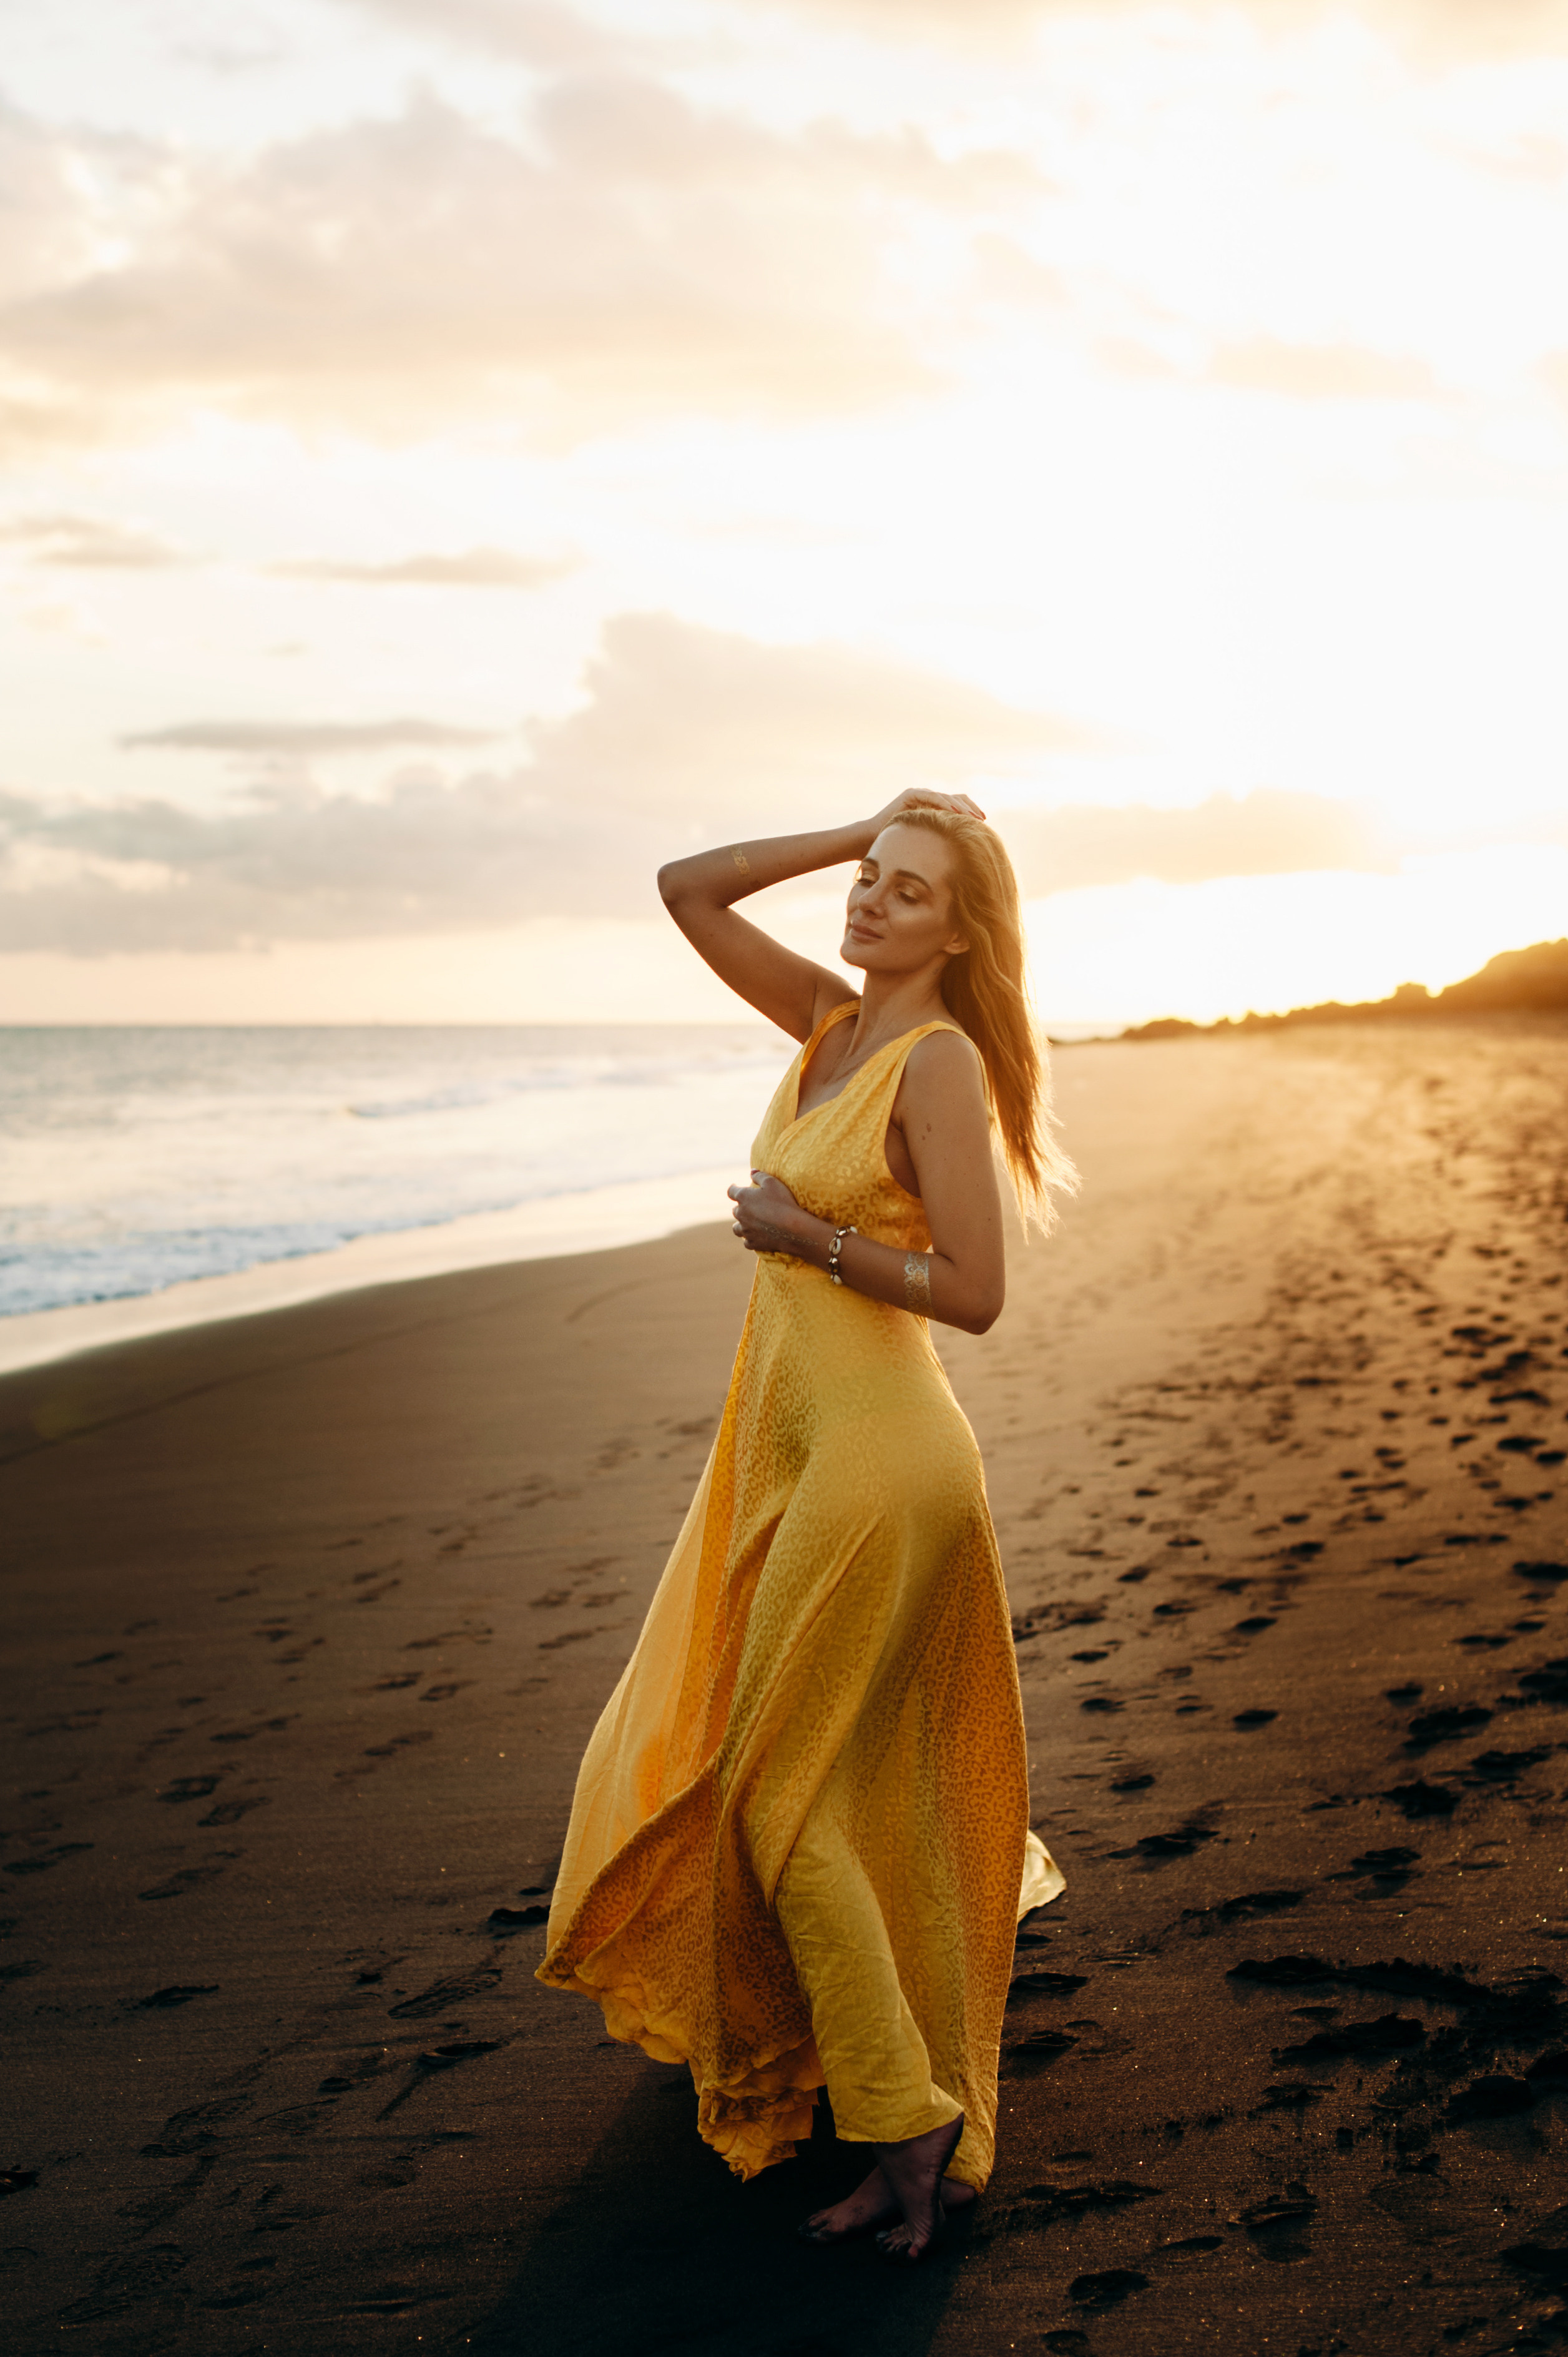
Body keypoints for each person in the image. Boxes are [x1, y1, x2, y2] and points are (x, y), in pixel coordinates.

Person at [537, 787, 1074, 2261]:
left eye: (908, 891)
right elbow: (685, 886)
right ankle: (896, 2101)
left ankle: (904, 2116)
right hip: (801, 1452)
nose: (869, 902)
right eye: (869, 879)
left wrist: (807, 1237)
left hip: (883, 1462)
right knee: (821, 1783)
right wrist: (858, 830)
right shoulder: (828, 1024)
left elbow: (976, 1292)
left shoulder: (937, 1062)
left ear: (960, 933)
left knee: (775, 1799)